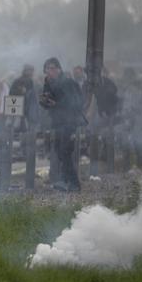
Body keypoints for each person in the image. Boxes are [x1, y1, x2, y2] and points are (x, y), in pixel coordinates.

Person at [39, 56, 85, 191]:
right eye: (47, 69)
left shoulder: (67, 82)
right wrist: (45, 102)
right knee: (60, 152)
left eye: (52, 68)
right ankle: (65, 181)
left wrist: (56, 104)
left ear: (59, 69)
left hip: (69, 121)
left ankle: (74, 183)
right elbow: (48, 102)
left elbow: (75, 103)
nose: (50, 71)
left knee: (65, 151)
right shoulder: (48, 83)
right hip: (58, 122)